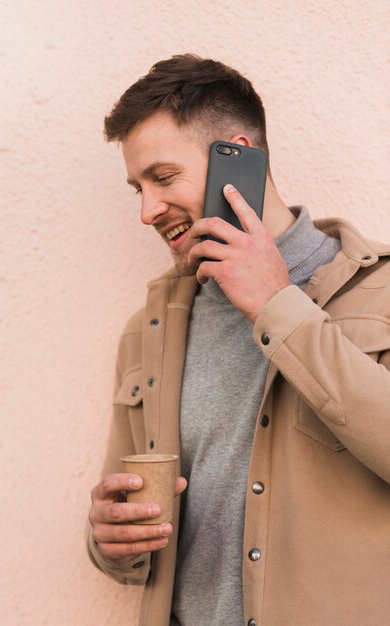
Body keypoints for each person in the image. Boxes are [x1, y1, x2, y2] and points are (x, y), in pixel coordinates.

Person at [87, 54, 390, 626]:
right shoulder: (147, 332)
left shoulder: (384, 295)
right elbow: (129, 540)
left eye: (164, 177)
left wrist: (277, 305)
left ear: (240, 157)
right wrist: (110, 542)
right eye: (138, 188)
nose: (148, 210)